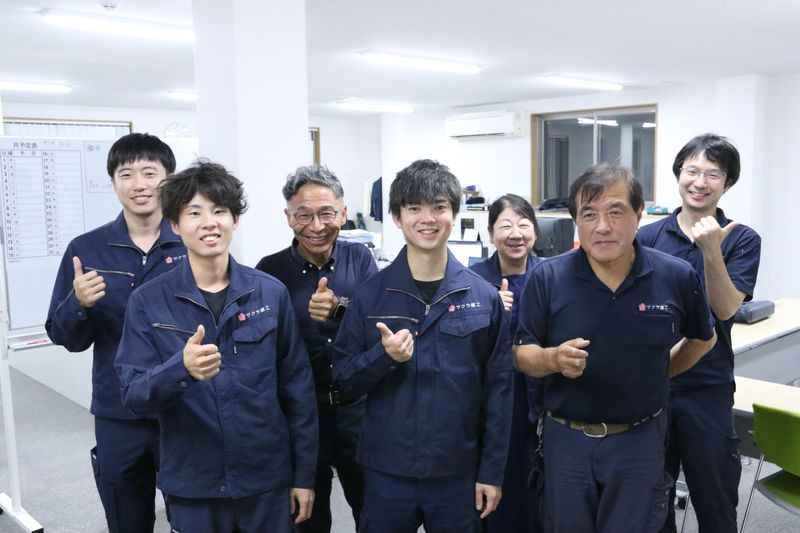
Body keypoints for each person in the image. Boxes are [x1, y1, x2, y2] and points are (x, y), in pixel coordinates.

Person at [115, 161, 318, 532]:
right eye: (195, 213)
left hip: (265, 480)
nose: (209, 222)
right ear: (175, 224)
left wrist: (304, 475)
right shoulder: (148, 301)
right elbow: (133, 394)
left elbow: (298, 390)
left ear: (235, 220)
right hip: (194, 483)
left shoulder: (269, 293)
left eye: (220, 211)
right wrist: (180, 369)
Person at [514, 163, 717, 532]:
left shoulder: (674, 275)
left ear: (638, 214)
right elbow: (521, 353)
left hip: (639, 440)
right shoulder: (548, 277)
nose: (602, 226)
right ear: (576, 221)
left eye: (616, 211)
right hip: (567, 441)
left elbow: (704, 338)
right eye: (589, 214)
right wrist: (552, 358)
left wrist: (658, 372)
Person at [332, 159, 513, 533]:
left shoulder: (483, 297)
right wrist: (382, 357)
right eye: (414, 208)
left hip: (458, 471)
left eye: (439, 207)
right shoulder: (370, 296)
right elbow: (342, 384)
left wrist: (492, 472)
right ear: (397, 218)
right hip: (386, 471)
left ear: (454, 214)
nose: (427, 219)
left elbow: (500, 393)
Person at [46, 132, 186, 533]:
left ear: (168, 178)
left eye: (149, 173)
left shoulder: (192, 242)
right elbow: (67, 338)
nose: (139, 184)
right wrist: (78, 303)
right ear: (113, 183)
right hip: (118, 410)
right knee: (126, 519)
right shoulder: (87, 249)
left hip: (183, 408)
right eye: (126, 174)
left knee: (193, 517)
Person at [638, 134, 761, 533]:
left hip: (707, 388)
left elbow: (725, 309)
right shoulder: (647, 238)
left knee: (715, 501)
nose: (700, 182)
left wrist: (711, 250)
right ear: (679, 174)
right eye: (692, 170)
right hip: (652, 386)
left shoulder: (742, 238)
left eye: (713, 174)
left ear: (727, 183)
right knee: (652, 503)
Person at [255, 165, 377, 532]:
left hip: (357, 413)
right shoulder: (269, 271)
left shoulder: (360, 259)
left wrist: (339, 309)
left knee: (373, 511)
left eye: (326, 213)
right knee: (306, 517)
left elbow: (376, 322)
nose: (317, 226)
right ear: (288, 217)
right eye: (304, 215)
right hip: (301, 417)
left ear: (342, 212)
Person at [469, 193, 543, 533]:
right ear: (490, 233)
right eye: (505, 226)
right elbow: (462, 346)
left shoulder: (551, 274)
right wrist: (490, 310)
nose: (516, 234)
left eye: (524, 225)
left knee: (536, 487)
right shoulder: (472, 280)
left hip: (540, 394)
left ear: (535, 232)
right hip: (493, 396)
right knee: (497, 481)